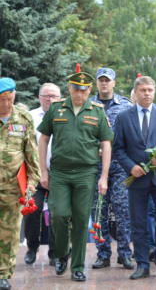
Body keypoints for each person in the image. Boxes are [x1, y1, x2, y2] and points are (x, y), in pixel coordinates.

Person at [38, 72, 113, 282]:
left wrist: (104, 176)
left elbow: (106, 144)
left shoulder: (97, 112)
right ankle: (62, 253)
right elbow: (43, 140)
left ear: (89, 90)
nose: (79, 93)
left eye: (83, 90)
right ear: (69, 88)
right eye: (75, 89)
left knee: (81, 219)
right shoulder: (56, 108)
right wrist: (43, 171)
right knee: (59, 215)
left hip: (86, 172)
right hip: (60, 173)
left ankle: (78, 266)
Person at [113, 76, 156, 279]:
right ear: (136, 92)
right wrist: (130, 167)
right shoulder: (124, 117)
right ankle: (142, 264)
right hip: (137, 179)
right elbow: (118, 148)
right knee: (139, 222)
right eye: (143, 90)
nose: (147, 93)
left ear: (155, 92)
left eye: (150, 90)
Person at [90, 68, 134, 270]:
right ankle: (103, 253)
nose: (105, 84)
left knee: (122, 209)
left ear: (114, 83)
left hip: (119, 166)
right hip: (94, 166)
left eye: (108, 80)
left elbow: (132, 134)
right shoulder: (88, 105)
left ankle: (124, 253)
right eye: (101, 80)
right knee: (99, 211)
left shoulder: (125, 105)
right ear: (97, 83)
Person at [0, 78, 40, 290]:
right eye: (2, 99)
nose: (6, 104)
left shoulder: (23, 118)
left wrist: (32, 184)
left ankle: (3, 275)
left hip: (12, 189)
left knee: (9, 233)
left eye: (9, 98)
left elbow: (31, 154)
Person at [25, 83, 61, 266]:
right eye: (46, 96)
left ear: (60, 98)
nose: (50, 99)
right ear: (39, 97)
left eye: (54, 96)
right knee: (33, 210)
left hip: (59, 175)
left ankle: (54, 253)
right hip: (35, 174)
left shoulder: (64, 116)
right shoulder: (30, 117)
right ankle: (32, 247)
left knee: (57, 213)